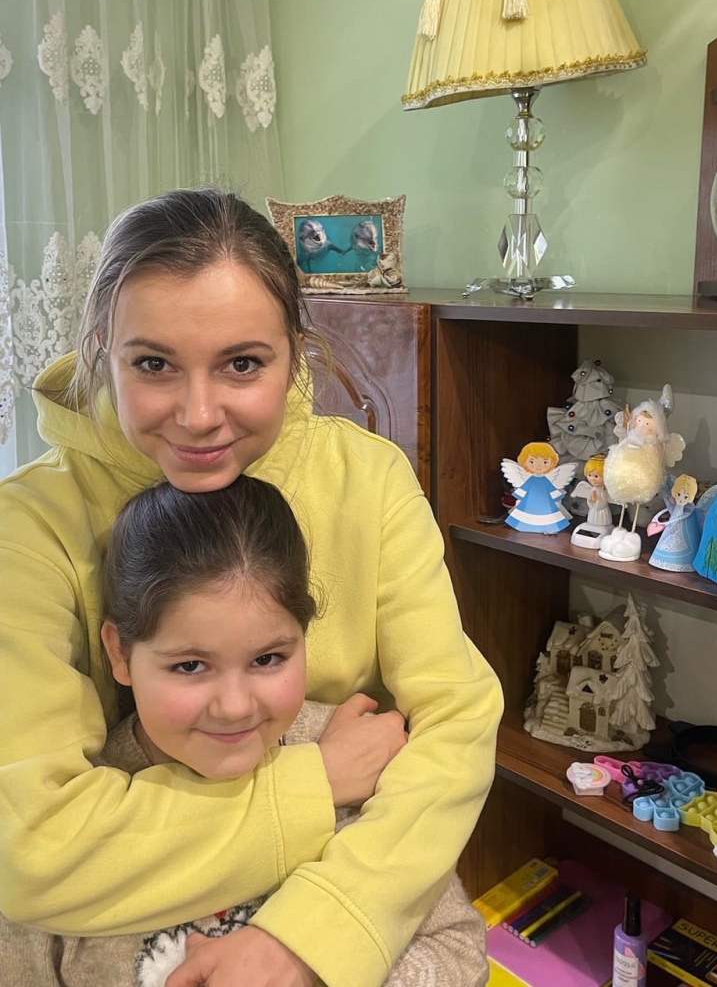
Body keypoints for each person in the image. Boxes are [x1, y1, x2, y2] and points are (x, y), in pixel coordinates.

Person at [0, 189, 503, 987]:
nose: (200, 416)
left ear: (295, 354)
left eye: (241, 364)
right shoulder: (27, 526)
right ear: (102, 351)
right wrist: (313, 786)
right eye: (154, 364)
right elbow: (33, 847)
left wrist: (313, 935)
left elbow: (453, 724)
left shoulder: (366, 480)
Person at [0, 476, 489, 987]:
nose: (235, 708)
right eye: (190, 666)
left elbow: (457, 949)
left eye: (268, 658)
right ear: (119, 653)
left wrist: (316, 970)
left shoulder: (355, 753)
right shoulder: (76, 812)